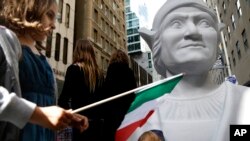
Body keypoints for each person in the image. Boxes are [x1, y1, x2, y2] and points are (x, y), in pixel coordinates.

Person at [138, 0, 250, 141]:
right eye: (176, 23)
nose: (192, 32)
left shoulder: (245, 100)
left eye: (204, 23)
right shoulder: (140, 116)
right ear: (155, 42)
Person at [0, 0, 78, 140]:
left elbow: (47, 103)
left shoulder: (42, 58)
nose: (54, 24)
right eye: (49, 15)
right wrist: (39, 115)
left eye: (56, 18)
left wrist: (64, 117)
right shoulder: (5, 42)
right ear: (30, 9)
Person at [58, 39, 104, 141]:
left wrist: (72, 117)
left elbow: (63, 100)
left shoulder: (73, 70)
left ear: (77, 51)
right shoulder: (99, 74)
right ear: (92, 53)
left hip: (80, 125)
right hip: (97, 126)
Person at [101, 49, 137, 141]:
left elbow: (106, 91)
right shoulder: (129, 72)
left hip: (111, 114)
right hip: (126, 112)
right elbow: (133, 93)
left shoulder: (111, 70)